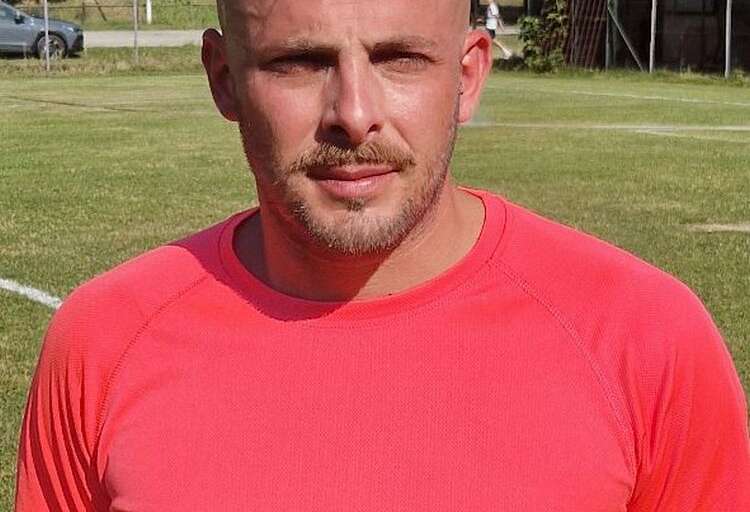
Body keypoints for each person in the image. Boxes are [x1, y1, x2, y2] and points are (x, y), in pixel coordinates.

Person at [15, 0, 750, 509]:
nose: (354, 114)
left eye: (400, 59)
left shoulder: (644, 341)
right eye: (300, 62)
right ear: (224, 79)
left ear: (467, 76)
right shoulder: (103, 341)